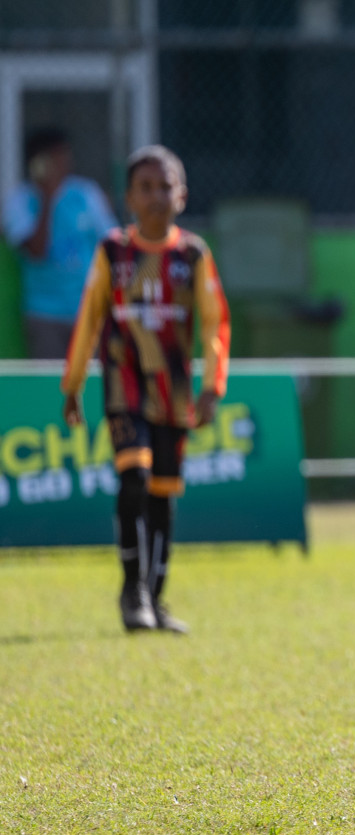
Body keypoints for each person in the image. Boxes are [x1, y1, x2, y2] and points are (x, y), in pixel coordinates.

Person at [60, 145, 229, 635]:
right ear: (129, 197)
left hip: (173, 393)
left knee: (163, 495)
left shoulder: (192, 254)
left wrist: (213, 386)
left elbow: (217, 323)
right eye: (145, 188)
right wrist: (73, 384)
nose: (156, 197)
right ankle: (131, 591)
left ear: (182, 196)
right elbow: (90, 316)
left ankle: (154, 598)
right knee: (133, 478)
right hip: (123, 386)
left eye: (165, 187)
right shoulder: (113, 252)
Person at [3, 127, 117, 359]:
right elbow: (36, 251)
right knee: (50, 386)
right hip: (44, 314)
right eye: (54, 156)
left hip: (87, 311)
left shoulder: (87, 194)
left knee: (92, 383)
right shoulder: (20, 200)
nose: (63, 162)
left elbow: (112, 245)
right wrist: (47, 199)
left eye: (64, 154)